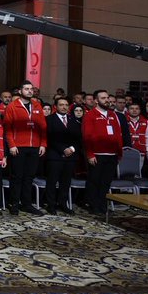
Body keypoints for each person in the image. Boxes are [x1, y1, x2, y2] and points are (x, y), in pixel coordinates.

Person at [2, 80, 47, 216]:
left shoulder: (37, 105)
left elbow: (43, 127)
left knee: (29, 176)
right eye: (26, 89)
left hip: (34, 146)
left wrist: (43, 144)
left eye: (31, 89)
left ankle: (26, 204)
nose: (29, 91)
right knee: (17, 177)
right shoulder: (12, 106)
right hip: (18, 147)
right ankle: (14, 203)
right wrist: (12, 145)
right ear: (20, 91)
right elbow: (8, 129)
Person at [81, 89, 127, 217]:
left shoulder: (113, 115)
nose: (106, 100)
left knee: (106, 182)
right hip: (97, 155)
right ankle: (93, 205)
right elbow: (87, 136)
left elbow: (118, 134)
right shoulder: (90, 115)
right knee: (94, 181)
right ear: (96, 100)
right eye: (103, 98)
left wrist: (119, 152)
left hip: (112, 155)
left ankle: (102, 205)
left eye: (107, 98)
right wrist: (90, 154)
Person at [44, 96, 81, 215]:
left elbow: (79, 138)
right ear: (55, 106)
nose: (64, 107)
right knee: (52, 181)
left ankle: (63, 204)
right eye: (61, 105)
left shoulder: (73, 120)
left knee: (66, 182)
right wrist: (63, 149)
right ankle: (51, 205)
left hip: (71, 156)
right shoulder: (49, 120)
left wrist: (71, 148)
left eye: (66, 105)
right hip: (55, 155)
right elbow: (50, 137)